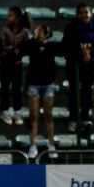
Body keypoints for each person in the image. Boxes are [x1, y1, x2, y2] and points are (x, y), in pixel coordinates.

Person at [62, 3, 94, 135]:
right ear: (77, 14)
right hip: (74, 65)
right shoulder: (70, 27)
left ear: (90, 13)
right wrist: (81, 53)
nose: (84, 15)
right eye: (81, 12)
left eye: (86, 12)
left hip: (90, 64)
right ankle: (73, 119)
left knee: (87, 91)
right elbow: (66, 46)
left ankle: (86, 118)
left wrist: (91, 57)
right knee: (74, 92)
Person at [22, 23, 60, 158]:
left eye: (40, 31)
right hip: (33, 85)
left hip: (48, 84)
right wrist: (33, 38)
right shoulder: (32, 45)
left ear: (45, 33)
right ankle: (33, 146)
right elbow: (24, 49)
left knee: (48, 115)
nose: (37, 32)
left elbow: (64, 50)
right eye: (37, 31)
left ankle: (51, 145)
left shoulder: (51, 46)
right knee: (33, 116)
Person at [0, 6, 30, 126]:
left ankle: (17, 112)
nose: (8, 17)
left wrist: (19, 51)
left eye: (11, 15)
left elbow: (26, 46)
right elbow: (2, 44)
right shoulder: (5, 29)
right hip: (5, 63)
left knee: (17, 88)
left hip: (17, 63)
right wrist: (13, 49)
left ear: (17, 18)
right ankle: (5, 110)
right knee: (5, 88)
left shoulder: (25, 32)